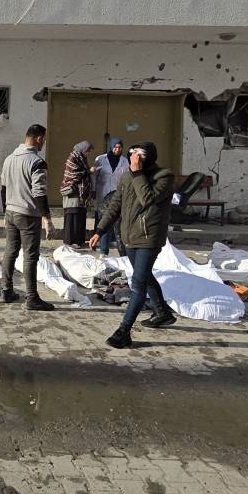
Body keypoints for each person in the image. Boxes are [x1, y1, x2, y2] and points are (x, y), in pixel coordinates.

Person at [90, 142, 177, 349]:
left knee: (137, 284)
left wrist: (137, 173)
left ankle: (124, 331)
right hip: (129, 237)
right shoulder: (127, 176)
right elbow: (114, 207)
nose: (135, 158)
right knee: (144, 276)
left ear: (150, 156)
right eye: (133, 154)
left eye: (140, 154)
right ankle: (162, 312)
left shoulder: (163, 176)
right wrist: (99, 231)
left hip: (149, 237)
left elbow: (148, 199)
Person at [0, 124, 56, 311]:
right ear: (39, 138)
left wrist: (4, 211)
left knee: (10, 251)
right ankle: (32, 297)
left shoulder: (9, 159)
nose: (44, 143)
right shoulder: (37, 162)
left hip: (10, 212)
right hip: (28, 215)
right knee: (30, 256)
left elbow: (3, 188)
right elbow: (39, 193)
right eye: (44, 139)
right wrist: (47, 218)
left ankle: (6, 291)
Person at [92, 137, 130, 257]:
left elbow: (127, 178)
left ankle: (120, 252)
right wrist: (93, 189)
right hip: (102, 193)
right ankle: (103, 251)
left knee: (115, 222)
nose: (117, 149)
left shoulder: (124, 161)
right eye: (115, 147)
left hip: (116, 195)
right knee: (104, 221)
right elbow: (94, 176)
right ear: (111, 147)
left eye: (119, 147)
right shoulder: (101, 159)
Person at [59, 141, 95, 247]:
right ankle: (70, 241)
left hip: (80, 194)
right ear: (83, 149)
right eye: (87, 151)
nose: (88, 153)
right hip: (73, 193)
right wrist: (89, 171)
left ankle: (79, 240)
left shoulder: (81, 158)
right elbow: (74, 174)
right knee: (72, 216)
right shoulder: (73, 158)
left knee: (80, 216)